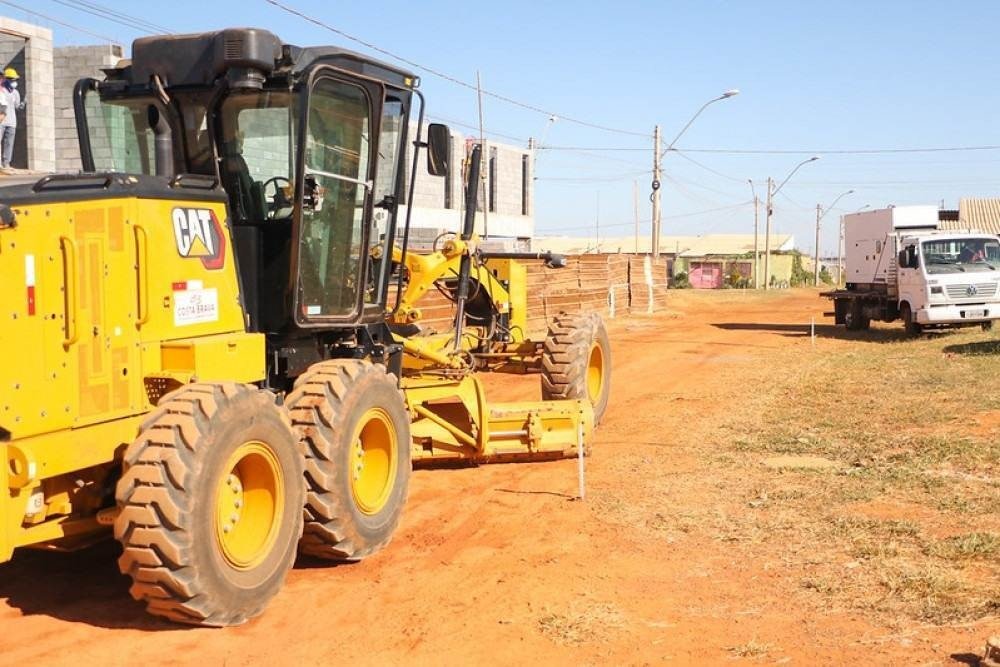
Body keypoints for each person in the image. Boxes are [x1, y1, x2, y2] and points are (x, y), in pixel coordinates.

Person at [0, 67, 24, 169]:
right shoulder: (2, 90)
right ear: (7, 79)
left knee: (9, 143)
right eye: (13, 80)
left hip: (12, 122)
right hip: (1, 121)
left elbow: (17, 107)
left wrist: (23, 104)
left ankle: (6, 163)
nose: (15, 82)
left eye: (15, 80)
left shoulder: (15, 93)